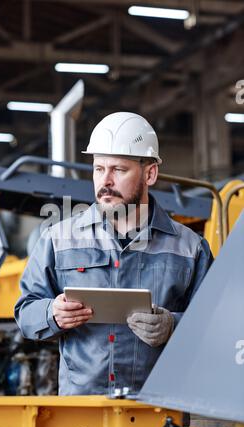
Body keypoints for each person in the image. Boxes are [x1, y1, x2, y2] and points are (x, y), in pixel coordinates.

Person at [15, 112, 213, 396]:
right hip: (81, 414)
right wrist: (51, 314)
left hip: (158, 411)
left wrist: (174, 326)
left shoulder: (190, 248)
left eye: (118, 170)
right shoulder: (58, 239)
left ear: (150, 173)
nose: (105, 181)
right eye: (98, 169)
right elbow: (25, 313)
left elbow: (214, 327)